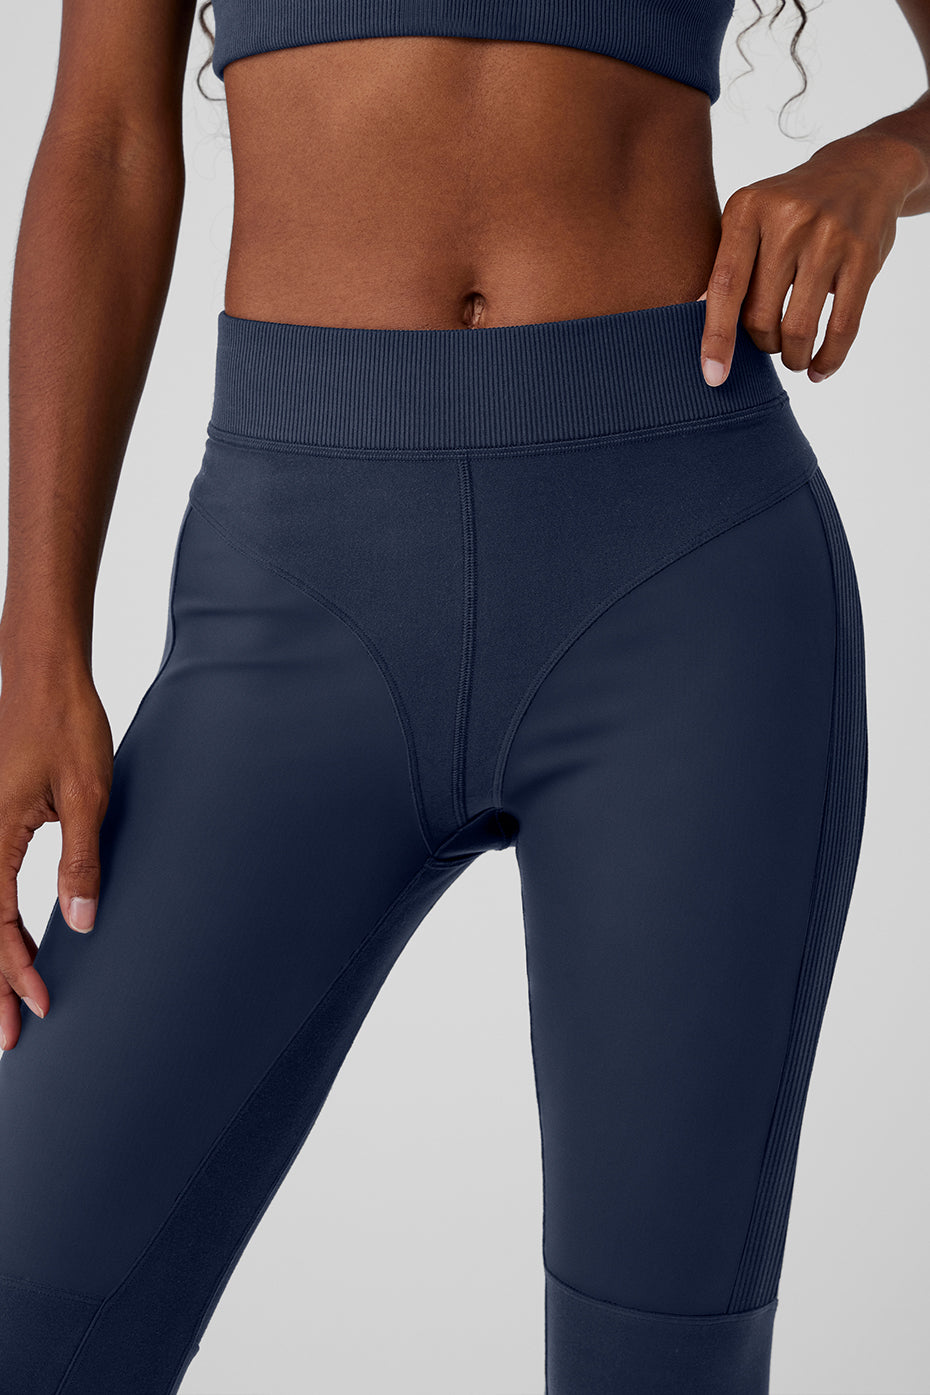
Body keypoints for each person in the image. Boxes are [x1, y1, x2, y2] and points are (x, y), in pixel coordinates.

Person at [0, 1, 926, 1391]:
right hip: (293, 583)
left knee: (657, 1360)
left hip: (681, 576)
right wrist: (37, 643)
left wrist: (883, 159)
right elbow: (109, 142)